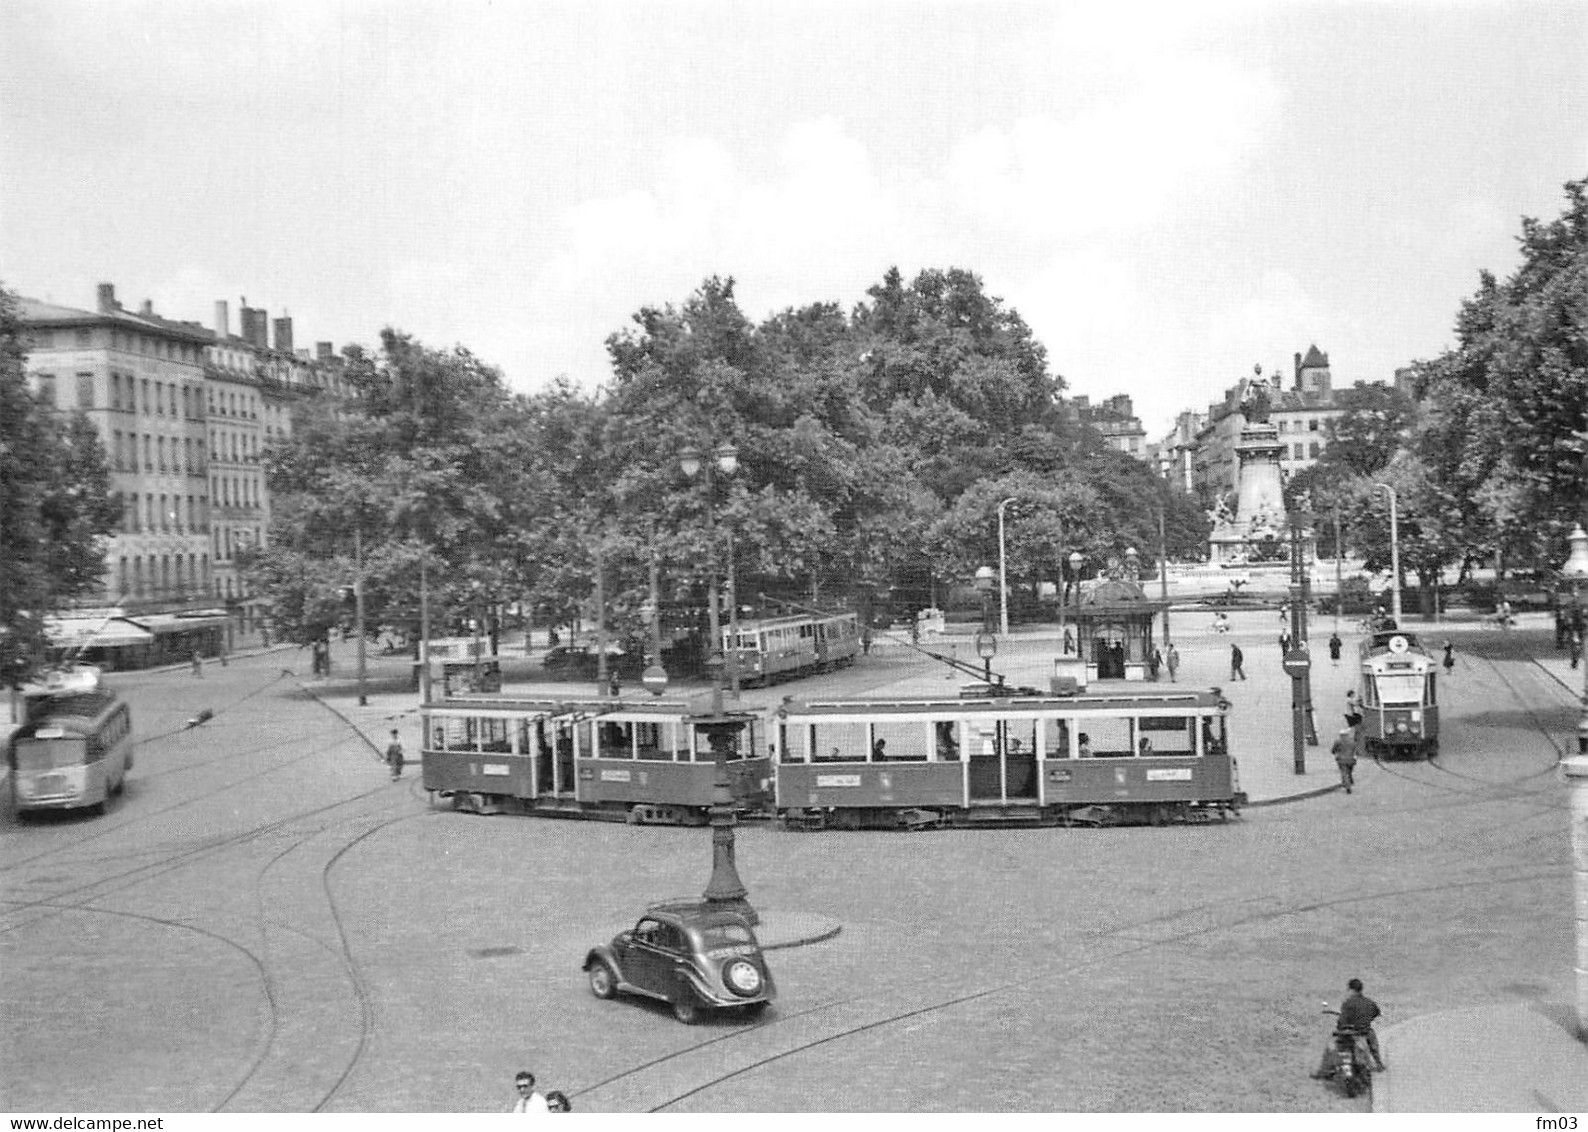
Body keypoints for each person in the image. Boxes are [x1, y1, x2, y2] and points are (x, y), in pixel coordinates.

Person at [1331, 726, 1358, 793]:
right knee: (1349, 772)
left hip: (1342, 760)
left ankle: (1347, 786)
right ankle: (1349, 782)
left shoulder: (1338, 741)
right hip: (1351, 760)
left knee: (1344, 773)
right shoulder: (1352, 741)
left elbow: (1333, 750)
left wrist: (1334, 752)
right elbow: (1355, 750)